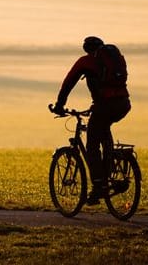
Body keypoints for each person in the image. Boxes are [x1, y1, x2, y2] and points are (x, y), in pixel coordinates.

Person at [51, 36, 131, 205]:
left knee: (92, 143)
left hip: (105, 105)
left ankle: (98, 185)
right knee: (103, 128)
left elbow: (69, 82)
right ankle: (109, 166)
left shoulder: (86, 61)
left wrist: (60, 104)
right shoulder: (113, 59)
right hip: (123, 103)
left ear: (86, 49)